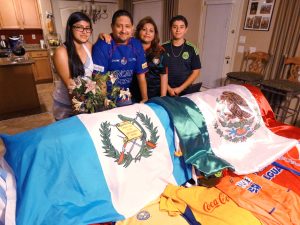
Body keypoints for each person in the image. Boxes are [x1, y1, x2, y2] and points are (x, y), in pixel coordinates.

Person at [92, 9, 148, 107]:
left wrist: (145, 98)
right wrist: (105, 105)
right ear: (112, 26)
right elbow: (100, 80)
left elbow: (141, 75)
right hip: (106, 98)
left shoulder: (136, 44)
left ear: (132, 28)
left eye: (127, 26)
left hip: (127, 97)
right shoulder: (103, 45)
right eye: (119, 26)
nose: (123, 30)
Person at [53, 12, 93, 120]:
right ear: (70, 28)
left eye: (88, 28)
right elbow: (71, 87)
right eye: (79, 28)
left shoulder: (88, 46)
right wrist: (80, 113)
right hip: (67, 107)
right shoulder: (61, 52)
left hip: (86, 102)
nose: (84, 32)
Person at [162, 15, 201, 96]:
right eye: (175, 27)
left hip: (186, 91)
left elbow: (196, 72)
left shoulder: (192, 49)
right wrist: (168, 89)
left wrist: (180, 89)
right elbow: (157, 71)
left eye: (181, 27)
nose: (178, 30)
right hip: (165, 90)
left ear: (186, 29)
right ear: (170, 29)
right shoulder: (162, 48)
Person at [135, 16, 168, 99]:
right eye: (144, 29)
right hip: (134, 94)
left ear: (155, 34)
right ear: (138, 31)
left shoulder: (160, 51)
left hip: (155, 95)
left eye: (151, 31)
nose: (147, 33)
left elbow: (163, 75)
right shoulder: (131, 48)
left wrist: (163, 97)